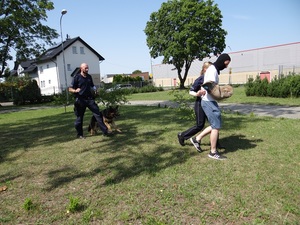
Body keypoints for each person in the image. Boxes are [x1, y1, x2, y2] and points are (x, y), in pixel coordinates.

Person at [190, 53, 231, 160]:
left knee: (215, 124)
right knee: (216, 126)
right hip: (208, 101)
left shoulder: (213, 69)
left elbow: (210, 86)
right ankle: (213, 152)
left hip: (209, 101)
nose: (226, 66)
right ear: (222, 61)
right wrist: (221, 95)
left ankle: (197, 139)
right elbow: (208, 86)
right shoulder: (212, 70)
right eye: (226, 64)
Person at [177, 62, 224, 152]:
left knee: (214, 123)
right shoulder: (201, 79)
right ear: (205, 69)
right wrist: (197, 94)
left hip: (209, 103)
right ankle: (182, 135)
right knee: (200, 125)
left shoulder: (211, 77)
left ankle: (216, 144)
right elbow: (191, 91)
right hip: (200, 104)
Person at [69, 63, 110, 139]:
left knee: (98, 114)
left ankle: (105, 131)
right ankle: (80, 134)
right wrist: (75, 90)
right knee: (79, 118)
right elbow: (70, 89)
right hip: (80, 100)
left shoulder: (89, 77)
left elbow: (92, 85)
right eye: (85, 68)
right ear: (81, 68)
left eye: (88, 68)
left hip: (90, 99)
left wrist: (95, 90)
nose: (87, 69)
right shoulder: (77, 77)